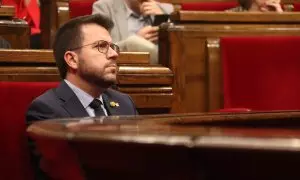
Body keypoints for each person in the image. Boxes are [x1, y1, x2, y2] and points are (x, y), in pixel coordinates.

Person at [26, 14, 138, 179]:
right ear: (72, 60)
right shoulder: (47, 110)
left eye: (113, 46)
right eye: (101, 46)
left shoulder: (124, 102)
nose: (114, 54)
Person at [92, 0, 174, 64]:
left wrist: (164, 20)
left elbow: (176, 51)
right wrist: (137, 40)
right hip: (120, 71)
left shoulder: (167, 10)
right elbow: (99, 48)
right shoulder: (104, 7)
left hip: (160, 73)